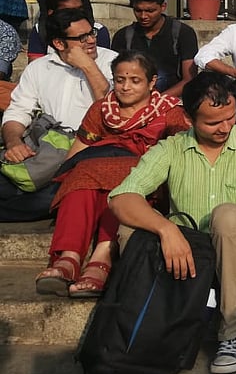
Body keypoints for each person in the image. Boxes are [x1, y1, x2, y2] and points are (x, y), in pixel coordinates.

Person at [109, 72, 236, 374]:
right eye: (213, 123)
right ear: (188, 118)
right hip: (188, 256)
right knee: (130, 228)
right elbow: (122, 197)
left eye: (229, 118)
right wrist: (166, 229)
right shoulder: (172, 148)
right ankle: (154, 314)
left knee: (227, 215)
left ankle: (234, 332)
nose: (224, 128)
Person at [34, 51, 189, 297]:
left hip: (140, 178)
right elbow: (79, 151)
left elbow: (184, 152)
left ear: (152, 82)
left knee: (124, 186)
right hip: (93, 173)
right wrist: (66, 178)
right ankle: (68, 257)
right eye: (120, 80)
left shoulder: (169, 112)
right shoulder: (101, 110)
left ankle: (102, 256)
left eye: (135, 81)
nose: (125, 87)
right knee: (80, 179)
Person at [0, 9, 116, 222]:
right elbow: (18, 111)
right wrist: (14, 143)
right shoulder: (39, 68)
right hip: (44, 149)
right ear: (59, 44)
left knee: (56, 196)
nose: (91, 40)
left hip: (88, 152)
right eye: (82, 38)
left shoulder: (112, 62)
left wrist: (88, 66)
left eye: (92, 33)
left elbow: (110, 110)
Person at [111, 0, 198, 97]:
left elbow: (189, 79)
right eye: (138, 10)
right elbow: (116, 76)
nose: (143, 16)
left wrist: (157, 101)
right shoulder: (123, 36)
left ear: (163, 7)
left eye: (150, 11)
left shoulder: (183, 33)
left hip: (172, 101)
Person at [27, 0, 111, 61]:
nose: (91, 40)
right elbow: (36, 68)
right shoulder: (40, 31)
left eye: (79, 9)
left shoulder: (98, 31)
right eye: (68, 11)